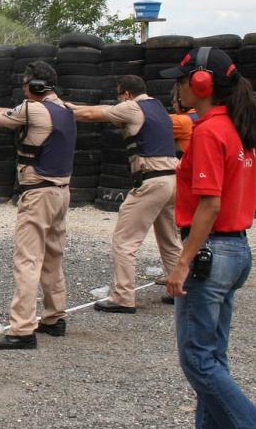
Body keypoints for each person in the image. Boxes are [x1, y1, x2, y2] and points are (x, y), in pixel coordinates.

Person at [161, 48, 256, 429]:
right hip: (235, 250)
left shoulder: (209, 132)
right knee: (214, 358)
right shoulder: (238, 129)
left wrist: (183, 261)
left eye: (183, 80)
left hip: (210, 252)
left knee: (198, 362)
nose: (178, 87)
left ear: (201, 83)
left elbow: (210, 204)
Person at [0, 61, 75, 350]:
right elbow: (8, 113)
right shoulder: (64, 109)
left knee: (28, 259)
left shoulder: (32, 109)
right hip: (61, 192)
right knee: (52, 256)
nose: (23, 89)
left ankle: (22, 329)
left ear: (36, 86)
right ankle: (54, 316)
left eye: (26, 84)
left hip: (38, 194)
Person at [69, 75, 181, 312]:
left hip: (152, 180)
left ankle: (123, 297)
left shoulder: (132, 107)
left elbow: (91, 114)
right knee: (170, 239)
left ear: (127, 94)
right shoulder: (158, 107)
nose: (118, 101)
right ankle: (179, 289)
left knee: (124, 241)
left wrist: (62, 108)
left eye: (119, 96)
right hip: (172, 179)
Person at [170, 84, 198, 159]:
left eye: (174, 102)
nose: (173, 106)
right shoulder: (199, 114)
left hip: (185, 162)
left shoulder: (181, 120)